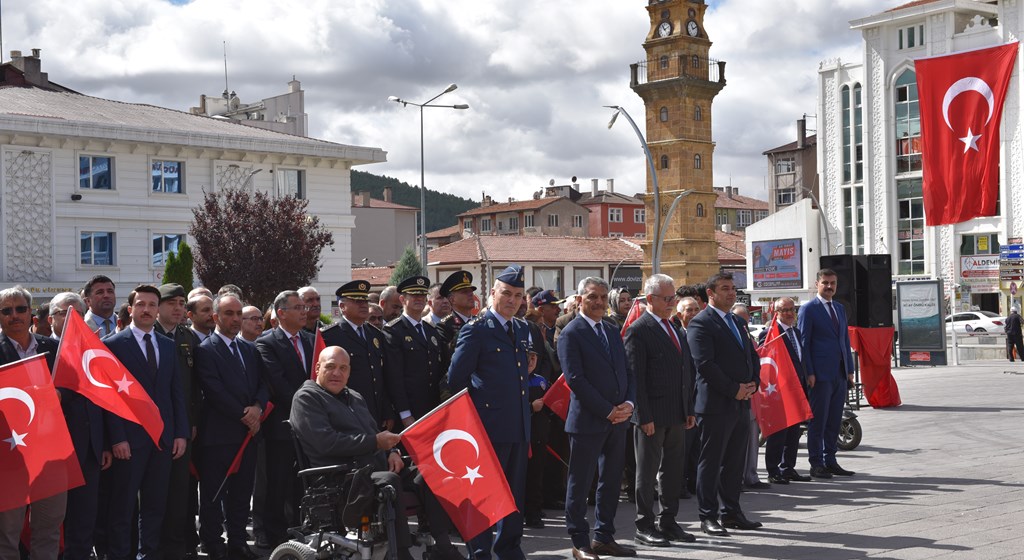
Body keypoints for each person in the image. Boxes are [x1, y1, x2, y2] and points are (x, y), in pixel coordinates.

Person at [290, 347, 464, 560]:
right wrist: (375, 443)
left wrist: (392, 451)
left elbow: (376, 433)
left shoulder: (353, 396)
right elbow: (326, 443)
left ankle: (442, 546)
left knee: (428, 471)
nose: (337, 373)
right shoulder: (307, 397)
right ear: (318, 368)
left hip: (373, 468)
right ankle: (401, 552)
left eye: (343, 368)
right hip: (340, 476)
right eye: (331, 367)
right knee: (389, 481)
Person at [448, 265, 531, 560]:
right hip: (488, 427)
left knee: (513, 495)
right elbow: (456, 379)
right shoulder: (477, 329)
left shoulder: (521, 328)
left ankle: (509, 548)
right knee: (482, 494)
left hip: (519, 425)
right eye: (506, 293)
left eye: (518, 296)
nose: (512, 300)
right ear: (492, 293)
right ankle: (480, 552)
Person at [104, 284, 189, 560]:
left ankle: (148, 555)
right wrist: (117, 438)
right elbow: (110, 398)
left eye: (152, 305)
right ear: (131, 309)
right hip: (129, 441)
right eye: (141, 304)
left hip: (163, 440)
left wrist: (180, 434)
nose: (146, 310)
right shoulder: (113, 345)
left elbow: (176, 392)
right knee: (123, 507)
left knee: (155, 507)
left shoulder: (167, 344)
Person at [557, 276, 637, 560]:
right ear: (580, 300)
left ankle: (604, 536)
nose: (599, 302)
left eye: (603, 297)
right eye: (593, 297)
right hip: (588, 422)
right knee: (580, 484)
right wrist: (608, 410)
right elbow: (575, 380)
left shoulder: (612, 329)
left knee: (611, 481)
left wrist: (628, 404)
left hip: (617, 421)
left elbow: (627, 371)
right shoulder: (571, 333)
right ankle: (580, 542)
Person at [686, 272, 762, 536]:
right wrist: (734, 390)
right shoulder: (701, 323)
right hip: (716, 405)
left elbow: (752, 355)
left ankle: (732, 512)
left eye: (733, 288)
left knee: (734, 462)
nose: (732, 293)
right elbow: (705, 365)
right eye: (725, 288)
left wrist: (754, 383)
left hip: (742, 403)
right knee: (711, 462)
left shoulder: (737, 322)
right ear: (711, 293)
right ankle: (708, 516)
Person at [195, 293, 268, 560]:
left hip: (248, 435)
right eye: (229, 314)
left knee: (241, 493)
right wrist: (244, 414)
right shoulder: (205, 350)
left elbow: (262, 383)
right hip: (219, 436)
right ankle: (213, 543)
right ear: (215, 317)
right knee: (214, 494)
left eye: (239, 314)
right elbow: (213, 390)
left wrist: (258, 407)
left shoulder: (249, 349)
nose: (236, 319)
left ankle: (237, 541)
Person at [625, 275, 696, 548]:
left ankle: (668, 520)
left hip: (676, 412)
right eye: (667, 299)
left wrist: (687, 408)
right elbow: (636, 377)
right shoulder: (639, 330)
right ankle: (644, 524)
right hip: (651, 415)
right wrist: (643, 415)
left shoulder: (675, 328)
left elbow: (684, 372)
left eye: (673, 298)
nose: (672, 303)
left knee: (672, 470)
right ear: (651, 299)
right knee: (647, 472)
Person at [0, 287, 63, 559]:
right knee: (6, 536)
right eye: (6, 311)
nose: (14, 315)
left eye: (20, 309)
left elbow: (76, 390)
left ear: (31, 312)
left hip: (51, 456)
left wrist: (62, 395)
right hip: (8, 458)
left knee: (48, 531)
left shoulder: (53, 348)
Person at [255, 290, 315, 547]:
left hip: (311, 427)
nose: (305, 311)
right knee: (278, 483)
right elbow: (277, 384)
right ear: (281, 313)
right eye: (298, 307)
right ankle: (276, 535)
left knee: (303, 483)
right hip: (282, 426)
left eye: (305, 306)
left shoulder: (312, 340)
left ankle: (303, 529)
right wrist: (310, 407)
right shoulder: (266, 342)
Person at [155, 283, 203, 559]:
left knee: (181, 491)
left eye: (181, 303)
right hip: (155, 428)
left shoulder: (188, 337)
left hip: (183, 428)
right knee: (155, 492)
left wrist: (192, 422)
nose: (178, 308)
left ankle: (178, 544)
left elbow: (195, 386)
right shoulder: (150, 335)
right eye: (171, 302)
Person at [798, 269, 857, 479]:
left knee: (834, 420)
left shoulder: (840, 308)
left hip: (839, 375)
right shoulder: (808, 309)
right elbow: (804, 344)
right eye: (825, 283)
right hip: (819, 376)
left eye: (833, 283)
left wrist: (849, 370)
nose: (829, 286)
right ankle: (816, 463)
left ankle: (831, 460)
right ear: (817, 284)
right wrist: (809, 372)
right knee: (818, 421)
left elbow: (844, 341)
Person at [321, 280, 392, 429]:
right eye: (357, 301)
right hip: (346, 412)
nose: (363, 305)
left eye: (365, 300)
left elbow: (381, 376)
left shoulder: (375, 334)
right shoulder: (330, 336)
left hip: (375, 412)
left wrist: (387, 410)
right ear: (342, 306)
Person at [758, 298, 812, 484]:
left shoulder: (795, 331)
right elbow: (766, 360)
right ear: (776, 312)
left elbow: (800, 358)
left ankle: (788, 468)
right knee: (778, 432)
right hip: (779, 390)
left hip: (797, 388)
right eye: (784, 310)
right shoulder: (770, 333)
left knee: (794, 432)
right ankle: (773, 470)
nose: (789, 313)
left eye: (792, 309)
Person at [383, 276, 445, 428]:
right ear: (403, 299)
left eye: (422, 295)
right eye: (414, 295)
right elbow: (394, 376)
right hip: (410, 410)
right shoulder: (394, 331)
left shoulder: (430, 330)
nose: (419, 299)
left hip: (433, 407)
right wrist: (405, 413)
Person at [731, 303, 770, 491]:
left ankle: (751, 475)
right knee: (735, 443)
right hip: (735, 396)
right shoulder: (730, 335)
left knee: (753, 439)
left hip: (752, 397)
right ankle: (734, 478)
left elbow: (756, 362)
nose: (741, 322)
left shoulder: (750, 338)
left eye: (743, 319)